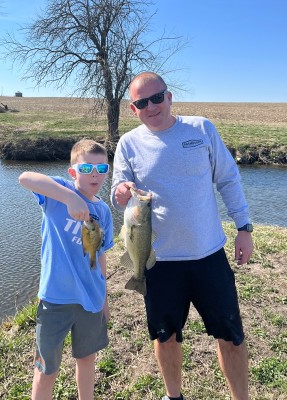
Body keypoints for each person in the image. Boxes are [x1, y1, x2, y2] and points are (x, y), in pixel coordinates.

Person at [110, 72, 253, 400]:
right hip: (158, 261)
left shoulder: (201, 129)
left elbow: (228, 179)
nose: (151, 107)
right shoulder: (129, 143)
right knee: (165, 337)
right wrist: (120, 192)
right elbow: (118, 193)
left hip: (208, 256)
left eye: (157, 98)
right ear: (133, 109)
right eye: (141, 103)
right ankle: (173, 396)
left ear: (169, 97)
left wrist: (243, 228)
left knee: (231, 336)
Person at [19, 139, 114, 400]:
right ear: (73, 172)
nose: (94, 175)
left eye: (101, 169)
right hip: (55, 300)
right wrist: (70, 197)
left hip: (91, 300)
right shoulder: (57, 193)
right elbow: (25, 178)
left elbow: (101, 255)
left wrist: (104, 298)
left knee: (87, 360)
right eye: (86, 169)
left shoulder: (103, 211)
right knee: (46, 370)